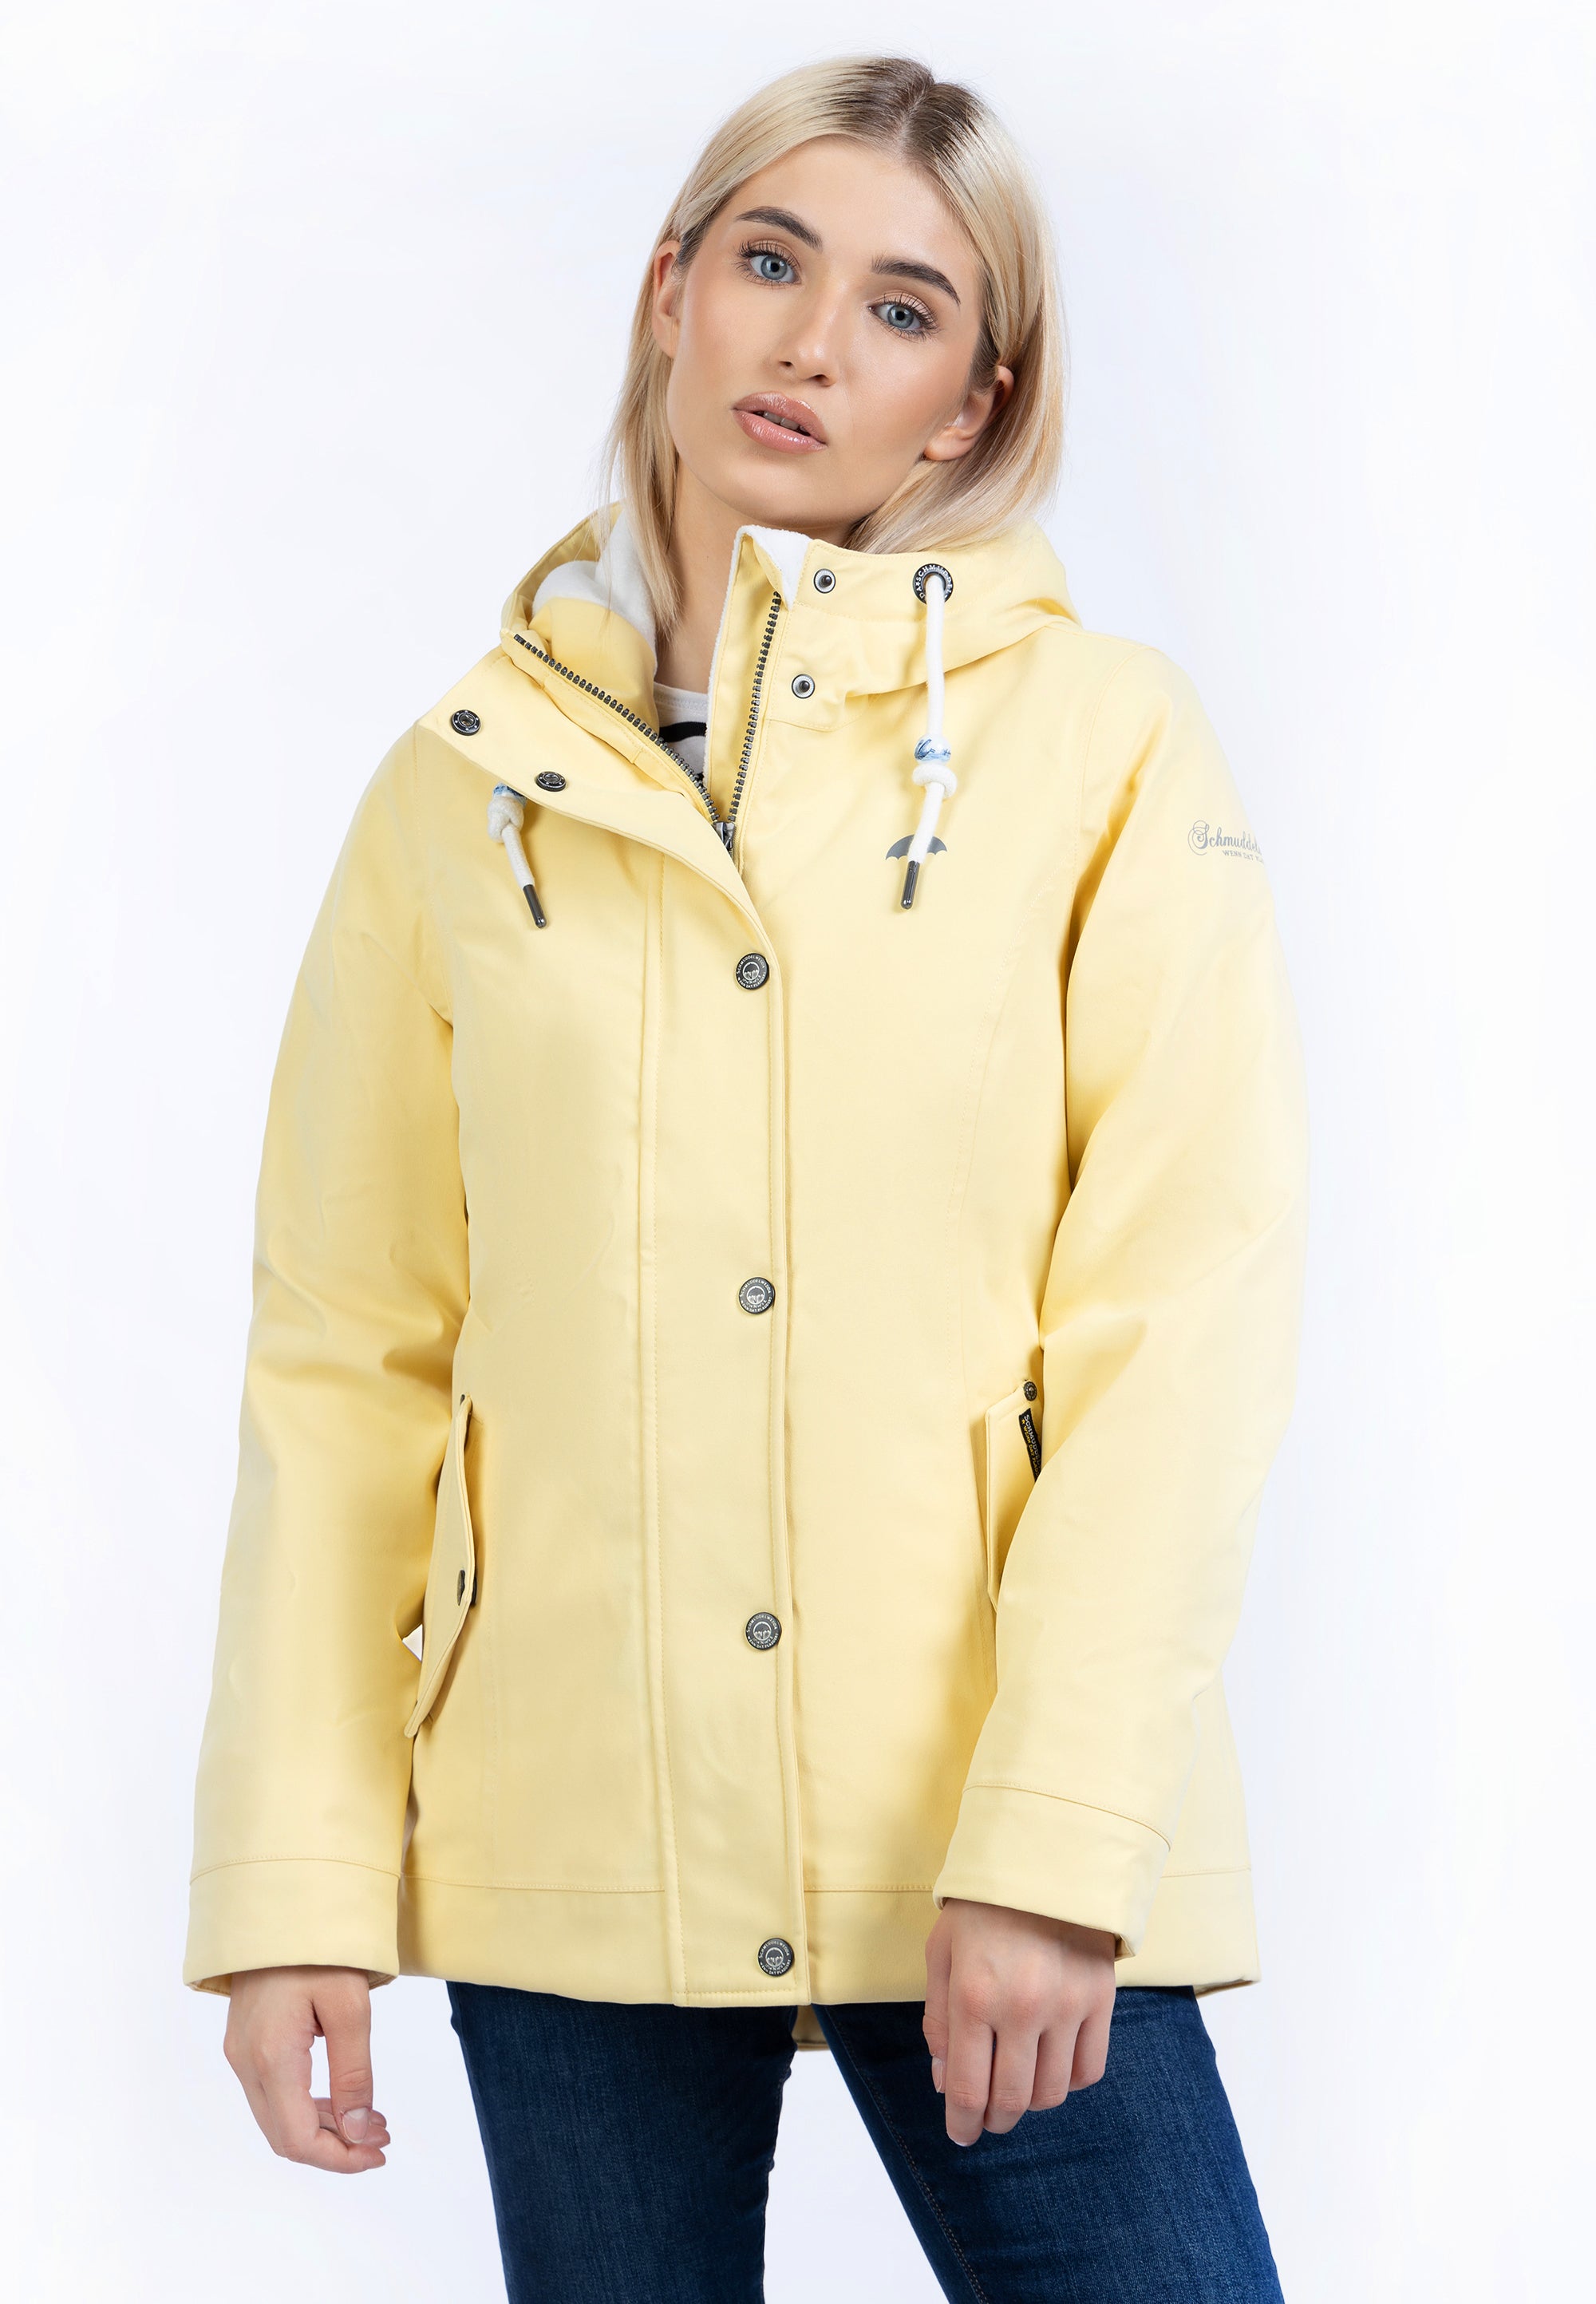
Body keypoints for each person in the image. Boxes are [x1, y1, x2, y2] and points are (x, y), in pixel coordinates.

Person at [185, 53, 1310, 2303]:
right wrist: (296, 1876)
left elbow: (1179, 1320)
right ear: (669, 292)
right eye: (771, 263)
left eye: (902, 308)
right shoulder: (461, 792)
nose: (811, 342)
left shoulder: (1102, 744)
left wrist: (1061, 1837)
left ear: (975, 403)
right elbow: (348, 1356)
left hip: (970, 1823)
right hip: (569, 1830)